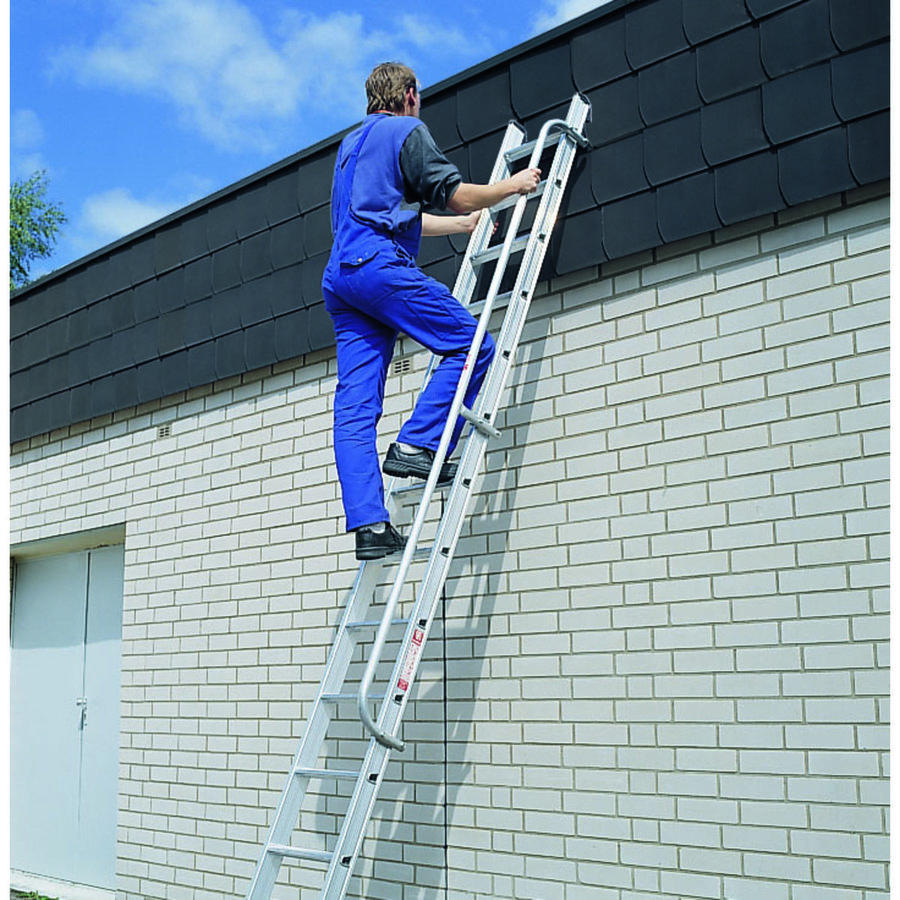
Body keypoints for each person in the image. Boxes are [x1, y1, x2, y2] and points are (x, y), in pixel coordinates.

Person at [322, 61, 541, 561]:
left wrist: (460, 227)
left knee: (354, 410)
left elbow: (387, 216)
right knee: (471, 343)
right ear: (411, 95)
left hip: (343, 279)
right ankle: (418, 445)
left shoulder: (350, 147)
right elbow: (456, 194)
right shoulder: (407, 130)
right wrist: (513, 185)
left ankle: (370, 526)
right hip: (378, 267)